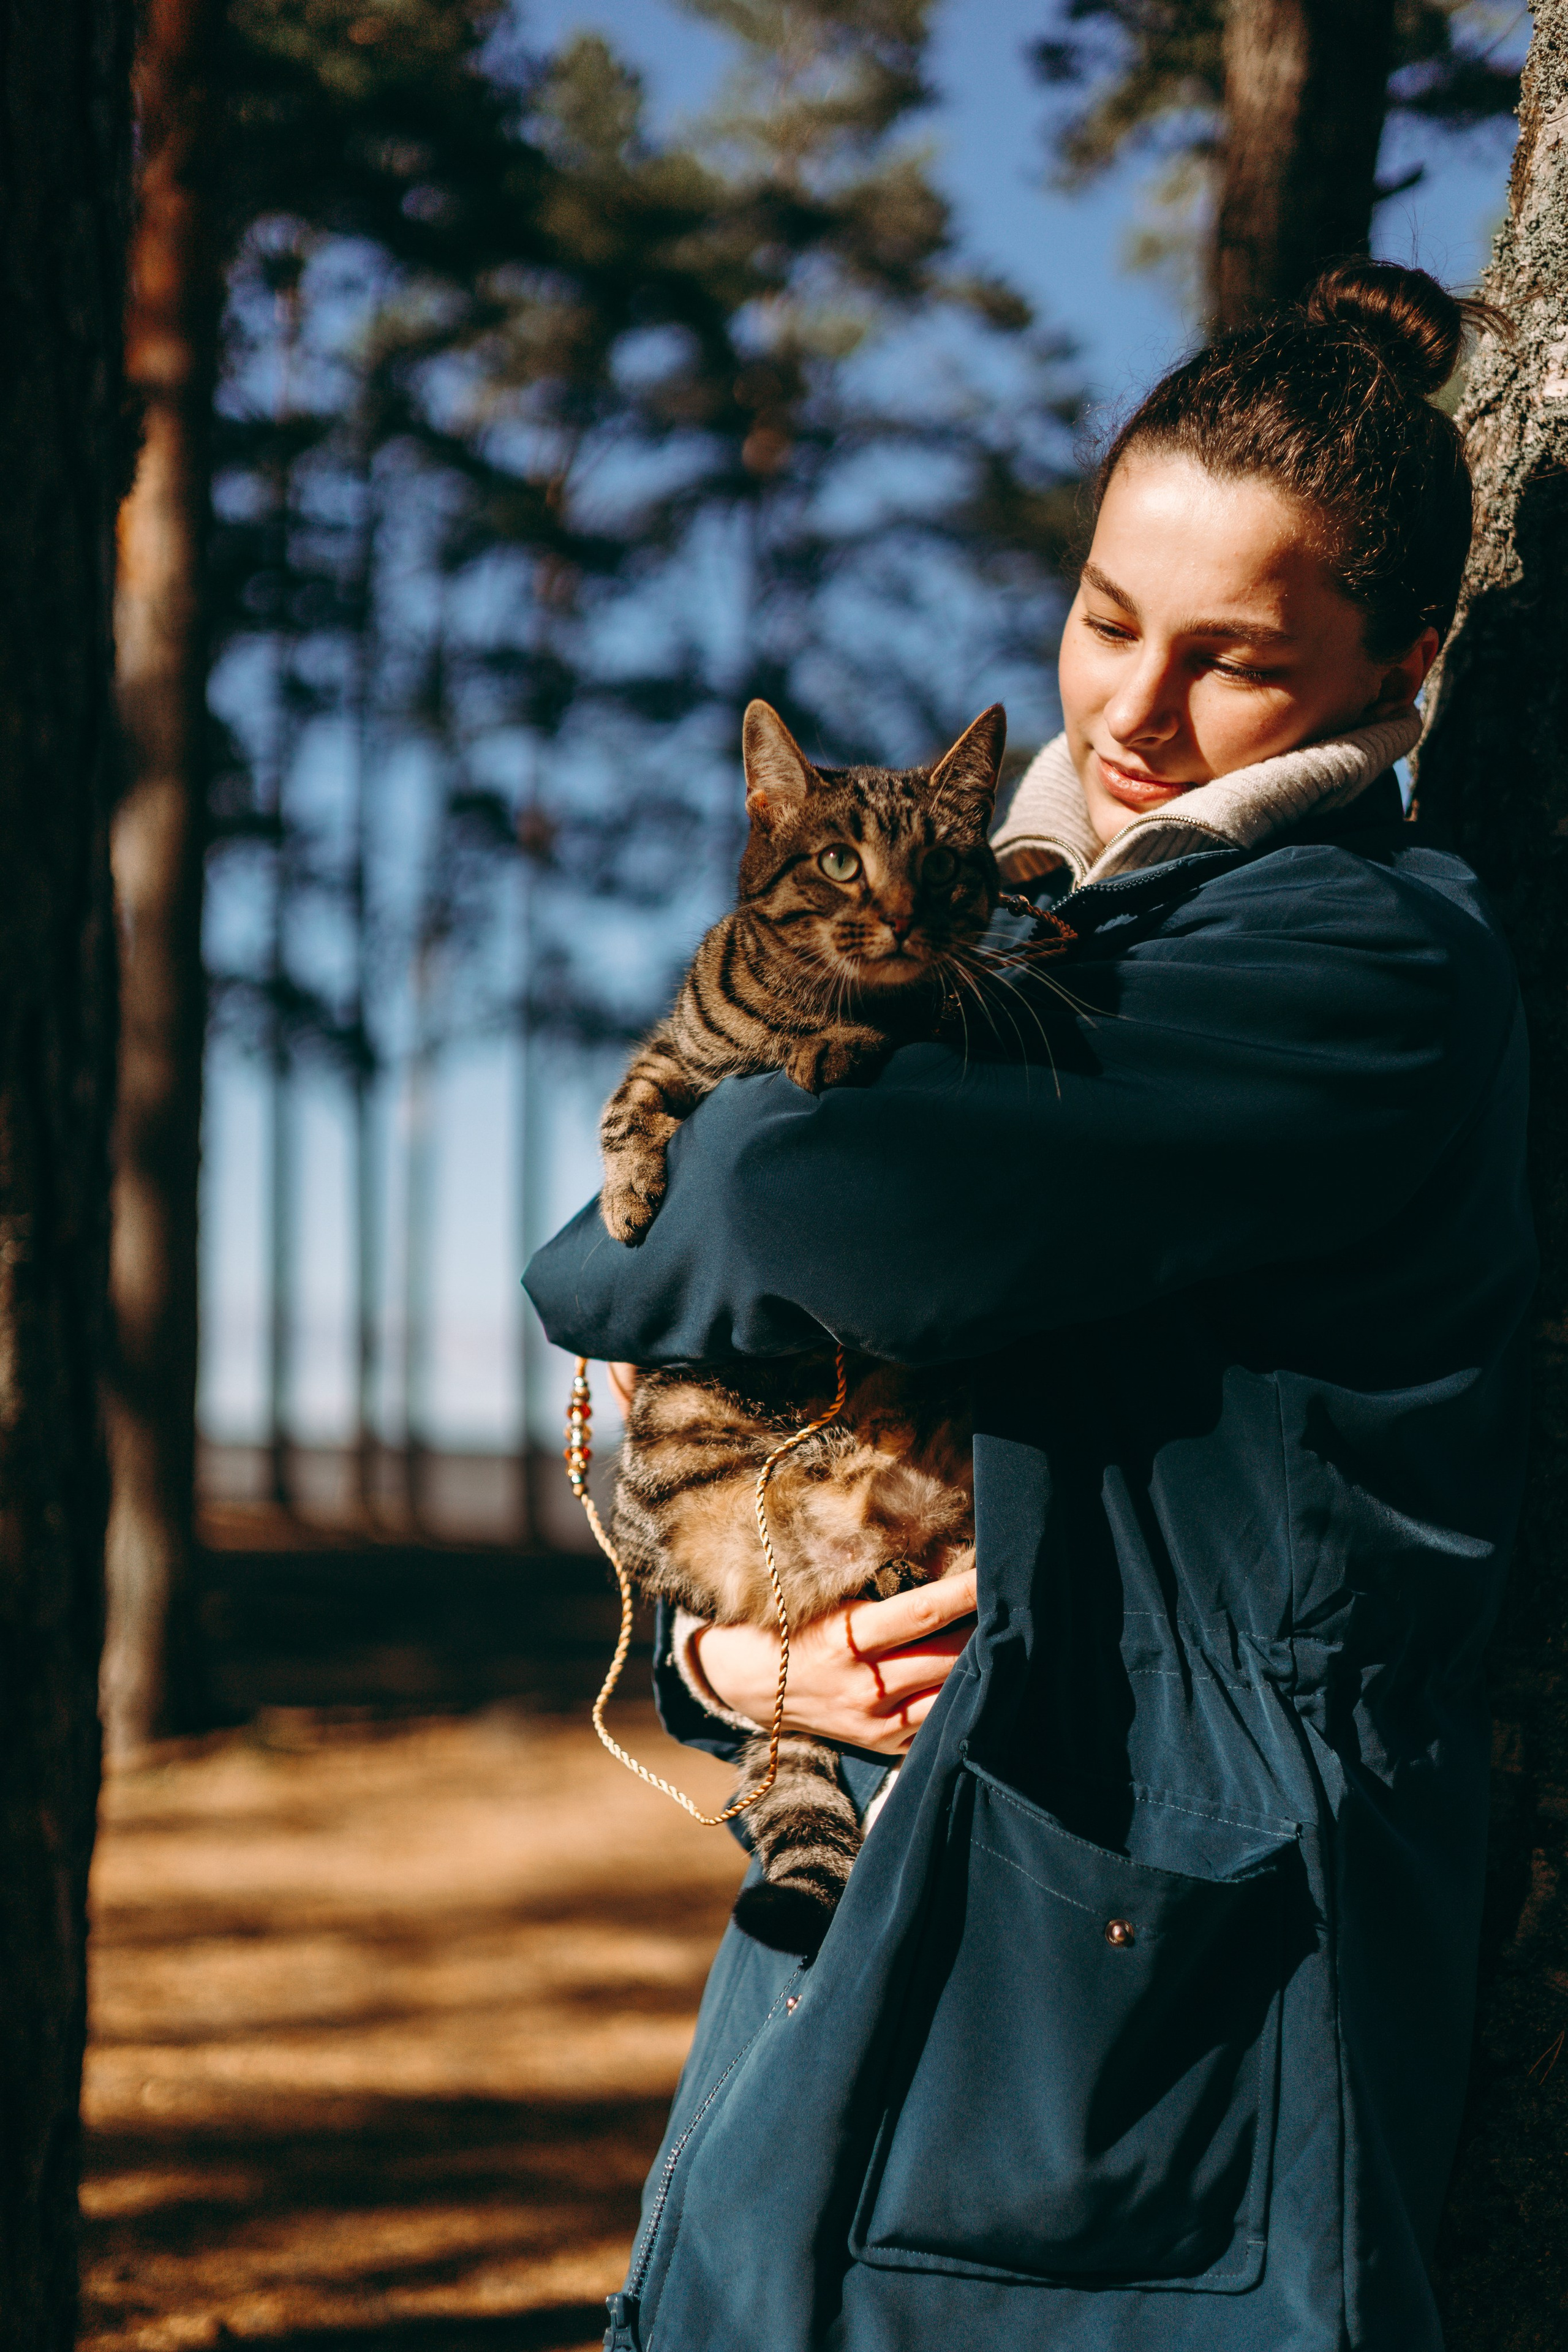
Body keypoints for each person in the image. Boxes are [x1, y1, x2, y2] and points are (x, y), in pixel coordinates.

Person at [524, 261, 1534, 2352]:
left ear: (1402, 667)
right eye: (1103, 617)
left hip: (1175, 1944)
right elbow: (772, 1349)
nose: (1133, 717)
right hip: (923, 1878)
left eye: (1234, 663)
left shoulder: (1350, 964)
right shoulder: (1051, 936)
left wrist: (656, 1201)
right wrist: (739, 1654)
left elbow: (761, 1217)